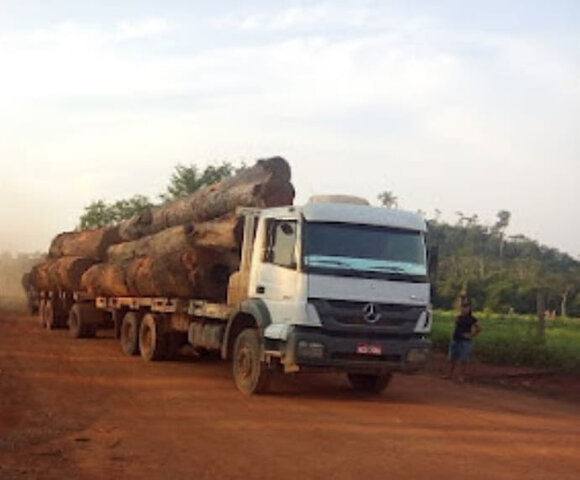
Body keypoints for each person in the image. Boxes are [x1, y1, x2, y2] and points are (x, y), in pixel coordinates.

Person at [443, 298, 482, 383]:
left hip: (465, 341)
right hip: (455, 339)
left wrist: (471, 335)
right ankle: (449, 374)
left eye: (466, 307)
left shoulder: (472, 319)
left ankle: (461, 376)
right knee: (452, 359)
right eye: (463, 307)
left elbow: (479, 328)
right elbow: (454, 326)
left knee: (463, 360)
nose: (464, 309)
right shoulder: (458, 317)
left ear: (469, 308)